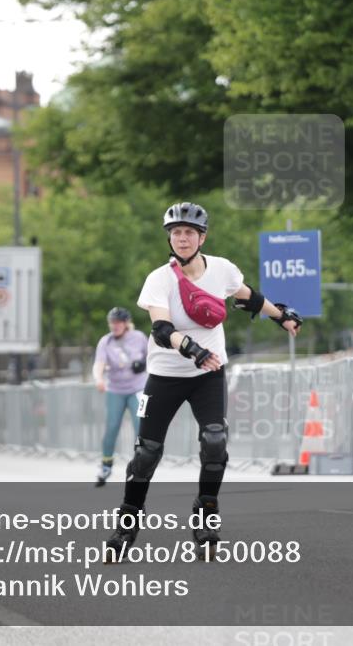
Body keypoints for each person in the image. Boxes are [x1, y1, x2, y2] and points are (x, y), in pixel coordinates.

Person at [104, 202, 302, 562]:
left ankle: (206, 512)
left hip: (208, 374)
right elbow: (162, 330)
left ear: (202, 237)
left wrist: (282, 315)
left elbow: (249, 297)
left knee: (215, 442)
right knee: (146, 453)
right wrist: (191, 347)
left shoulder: (222, 269)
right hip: (165, 374)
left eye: (189, 233)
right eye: (176, 233)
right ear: (170, 238)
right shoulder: (159, 279)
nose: (182, 238)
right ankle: (127, 521)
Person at [92, 307, 148, 487]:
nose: (114, 326)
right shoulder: (105, 342)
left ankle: (141, 466)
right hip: (115, 390)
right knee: (112, 427)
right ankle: (106, 465)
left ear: (125, 323)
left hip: (139, 389)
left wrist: (144, 365)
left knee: (141, 425)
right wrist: (99, 378)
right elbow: (99, 363)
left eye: (118, 322)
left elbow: (153, 358)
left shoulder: (139, 337)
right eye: (112, 323)